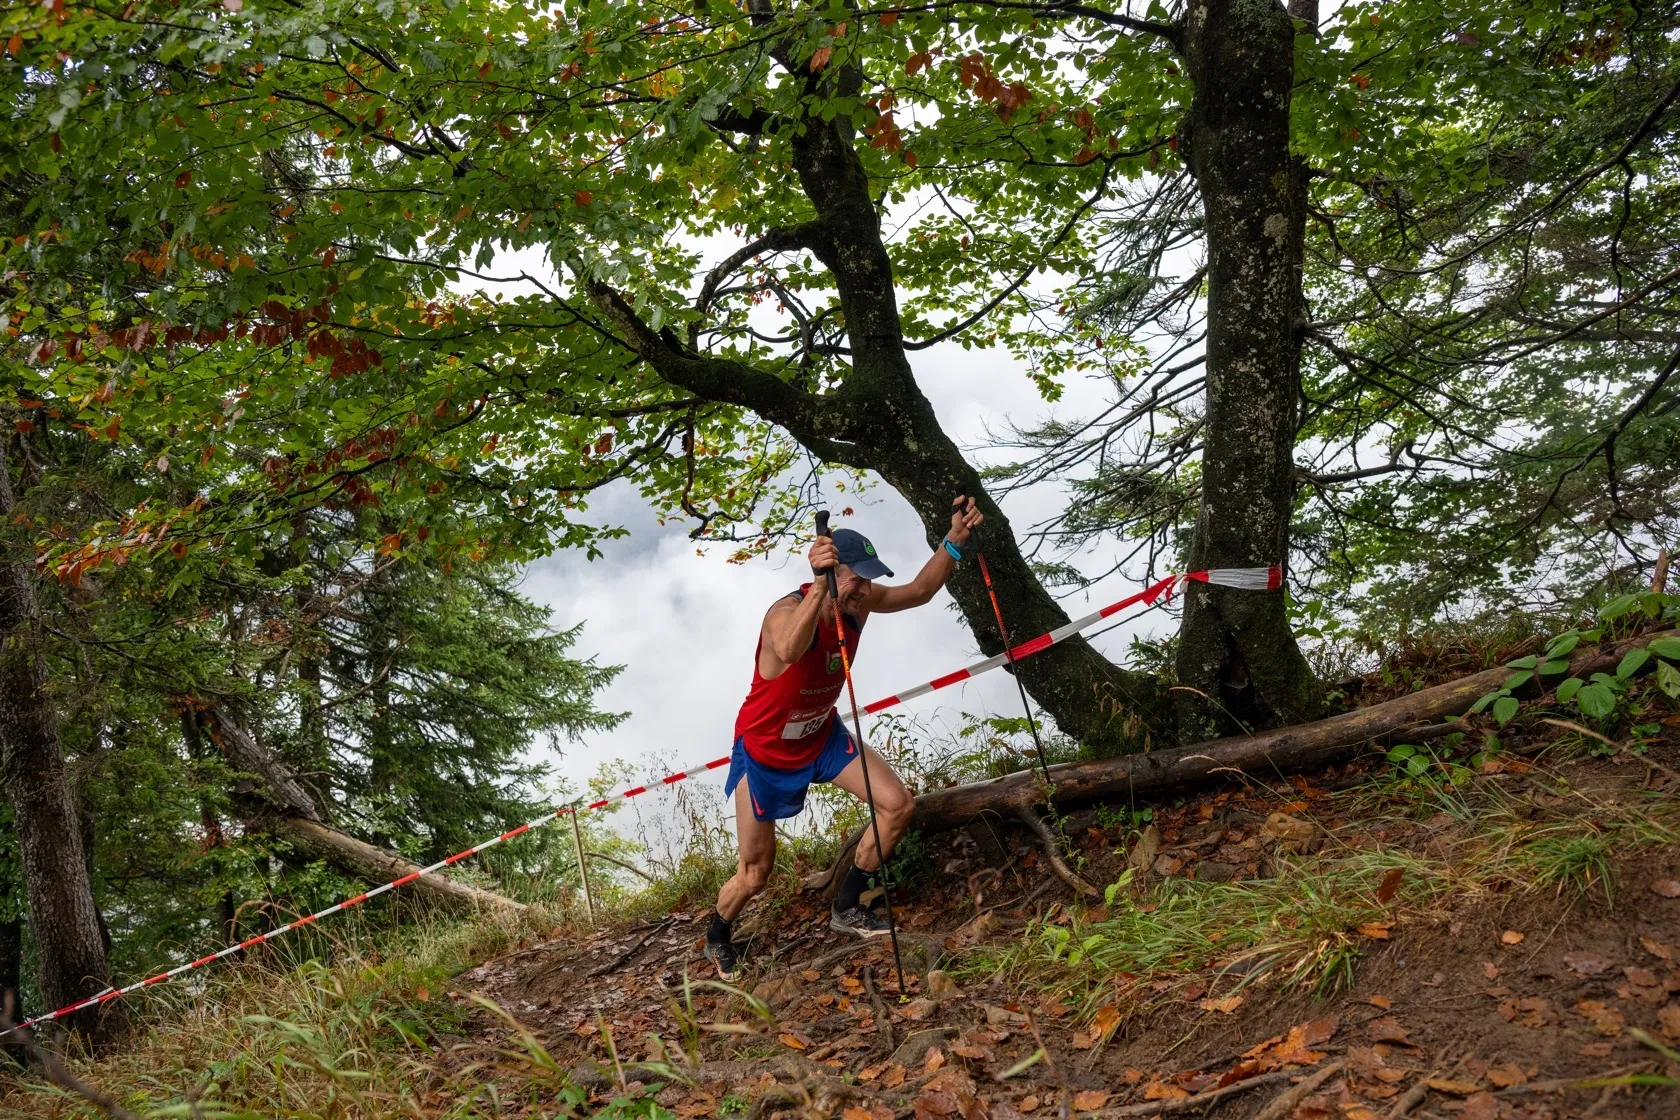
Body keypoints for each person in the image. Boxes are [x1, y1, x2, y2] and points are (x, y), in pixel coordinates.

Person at [703, 498, 985, 981]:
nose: (866, 590)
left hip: (822, 736)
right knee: (756, 873)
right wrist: (818, 586)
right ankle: (717, 933)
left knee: (897, 805)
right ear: (832, 577)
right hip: (766, 753)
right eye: (856, 579)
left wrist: (953, 544)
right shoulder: (785, 614)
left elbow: (918, 591)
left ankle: (848, 903)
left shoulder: (859, 601)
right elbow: (790, 649)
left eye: (869, 579)